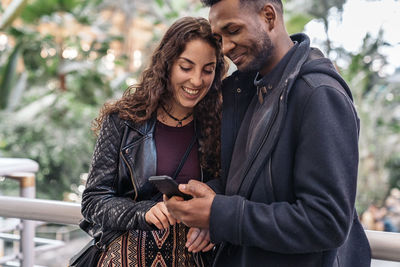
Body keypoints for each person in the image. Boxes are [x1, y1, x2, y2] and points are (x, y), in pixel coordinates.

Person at [164, 0, 372, 266]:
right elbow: (251, 187)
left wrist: (219, 214)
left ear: (269, 16)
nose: (225, 48)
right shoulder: (246, 91)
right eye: (219, 38)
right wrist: (205, 197)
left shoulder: (318, 94)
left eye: (233, 30)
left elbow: (326, 222)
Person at [80, 16, 225, 266]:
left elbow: (234, 187)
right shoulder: (122, 120)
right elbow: (93, 201)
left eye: (208, 70)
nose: (197, 80)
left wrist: (214, 219)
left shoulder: (223, 123)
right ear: (167, 64)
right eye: (186, 67)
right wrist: (143, 212)